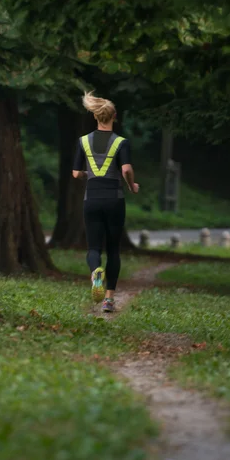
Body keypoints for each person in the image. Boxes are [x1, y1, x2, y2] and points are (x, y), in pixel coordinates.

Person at [72, 91, 139, 312]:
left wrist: (87, 175)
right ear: (115, 116)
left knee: (93, 248)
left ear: (95, 116)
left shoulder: (83, 141)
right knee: (113, 249)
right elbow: (126, 169)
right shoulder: (121, 142)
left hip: (91, 198)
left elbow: (75, 173)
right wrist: (131, 185)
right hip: (114, 200)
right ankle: (109, 300)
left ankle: (95, 274)